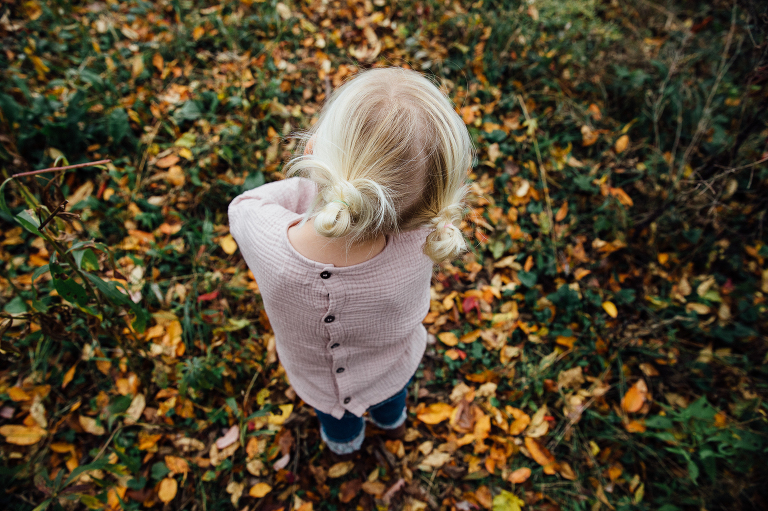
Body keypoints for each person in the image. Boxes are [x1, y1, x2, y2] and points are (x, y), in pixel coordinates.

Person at [228, 66, 475, 456]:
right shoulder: (424, 240)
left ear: (313, 156)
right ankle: (393, 423)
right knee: (391, 401)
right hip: (391, 372)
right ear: (433, 202)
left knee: (337, 424)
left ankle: (345, 445)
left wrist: (318, 188)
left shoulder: (265, 237)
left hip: (318, 384)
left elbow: (247, 203)